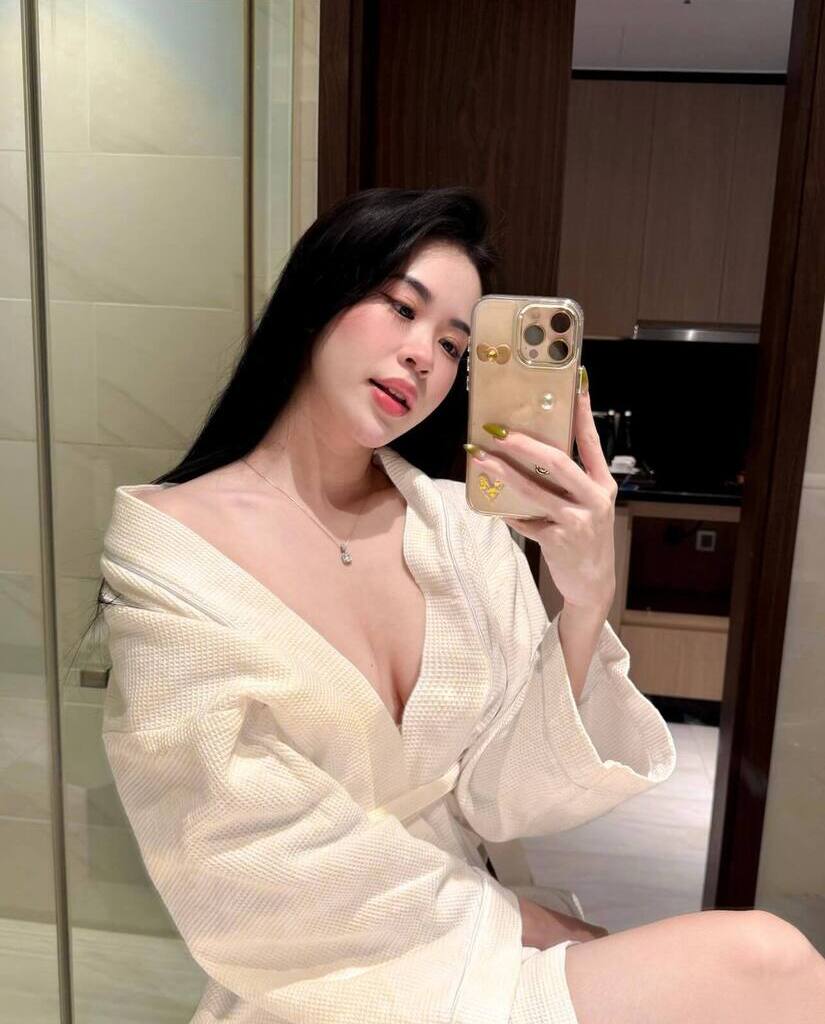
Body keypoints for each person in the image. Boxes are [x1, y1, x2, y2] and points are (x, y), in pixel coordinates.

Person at [91, 187, 825, 1023]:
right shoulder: (174, 551)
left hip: (468, 934)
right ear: (318, 294)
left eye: (451, 344)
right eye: (401, 308)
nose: (422, 357)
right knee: (759, 957)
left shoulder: (460, 529)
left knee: (769, 966)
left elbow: (502, 799)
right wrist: (518, 923)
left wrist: (585, 601)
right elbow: (238, 851)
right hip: (325, 967)